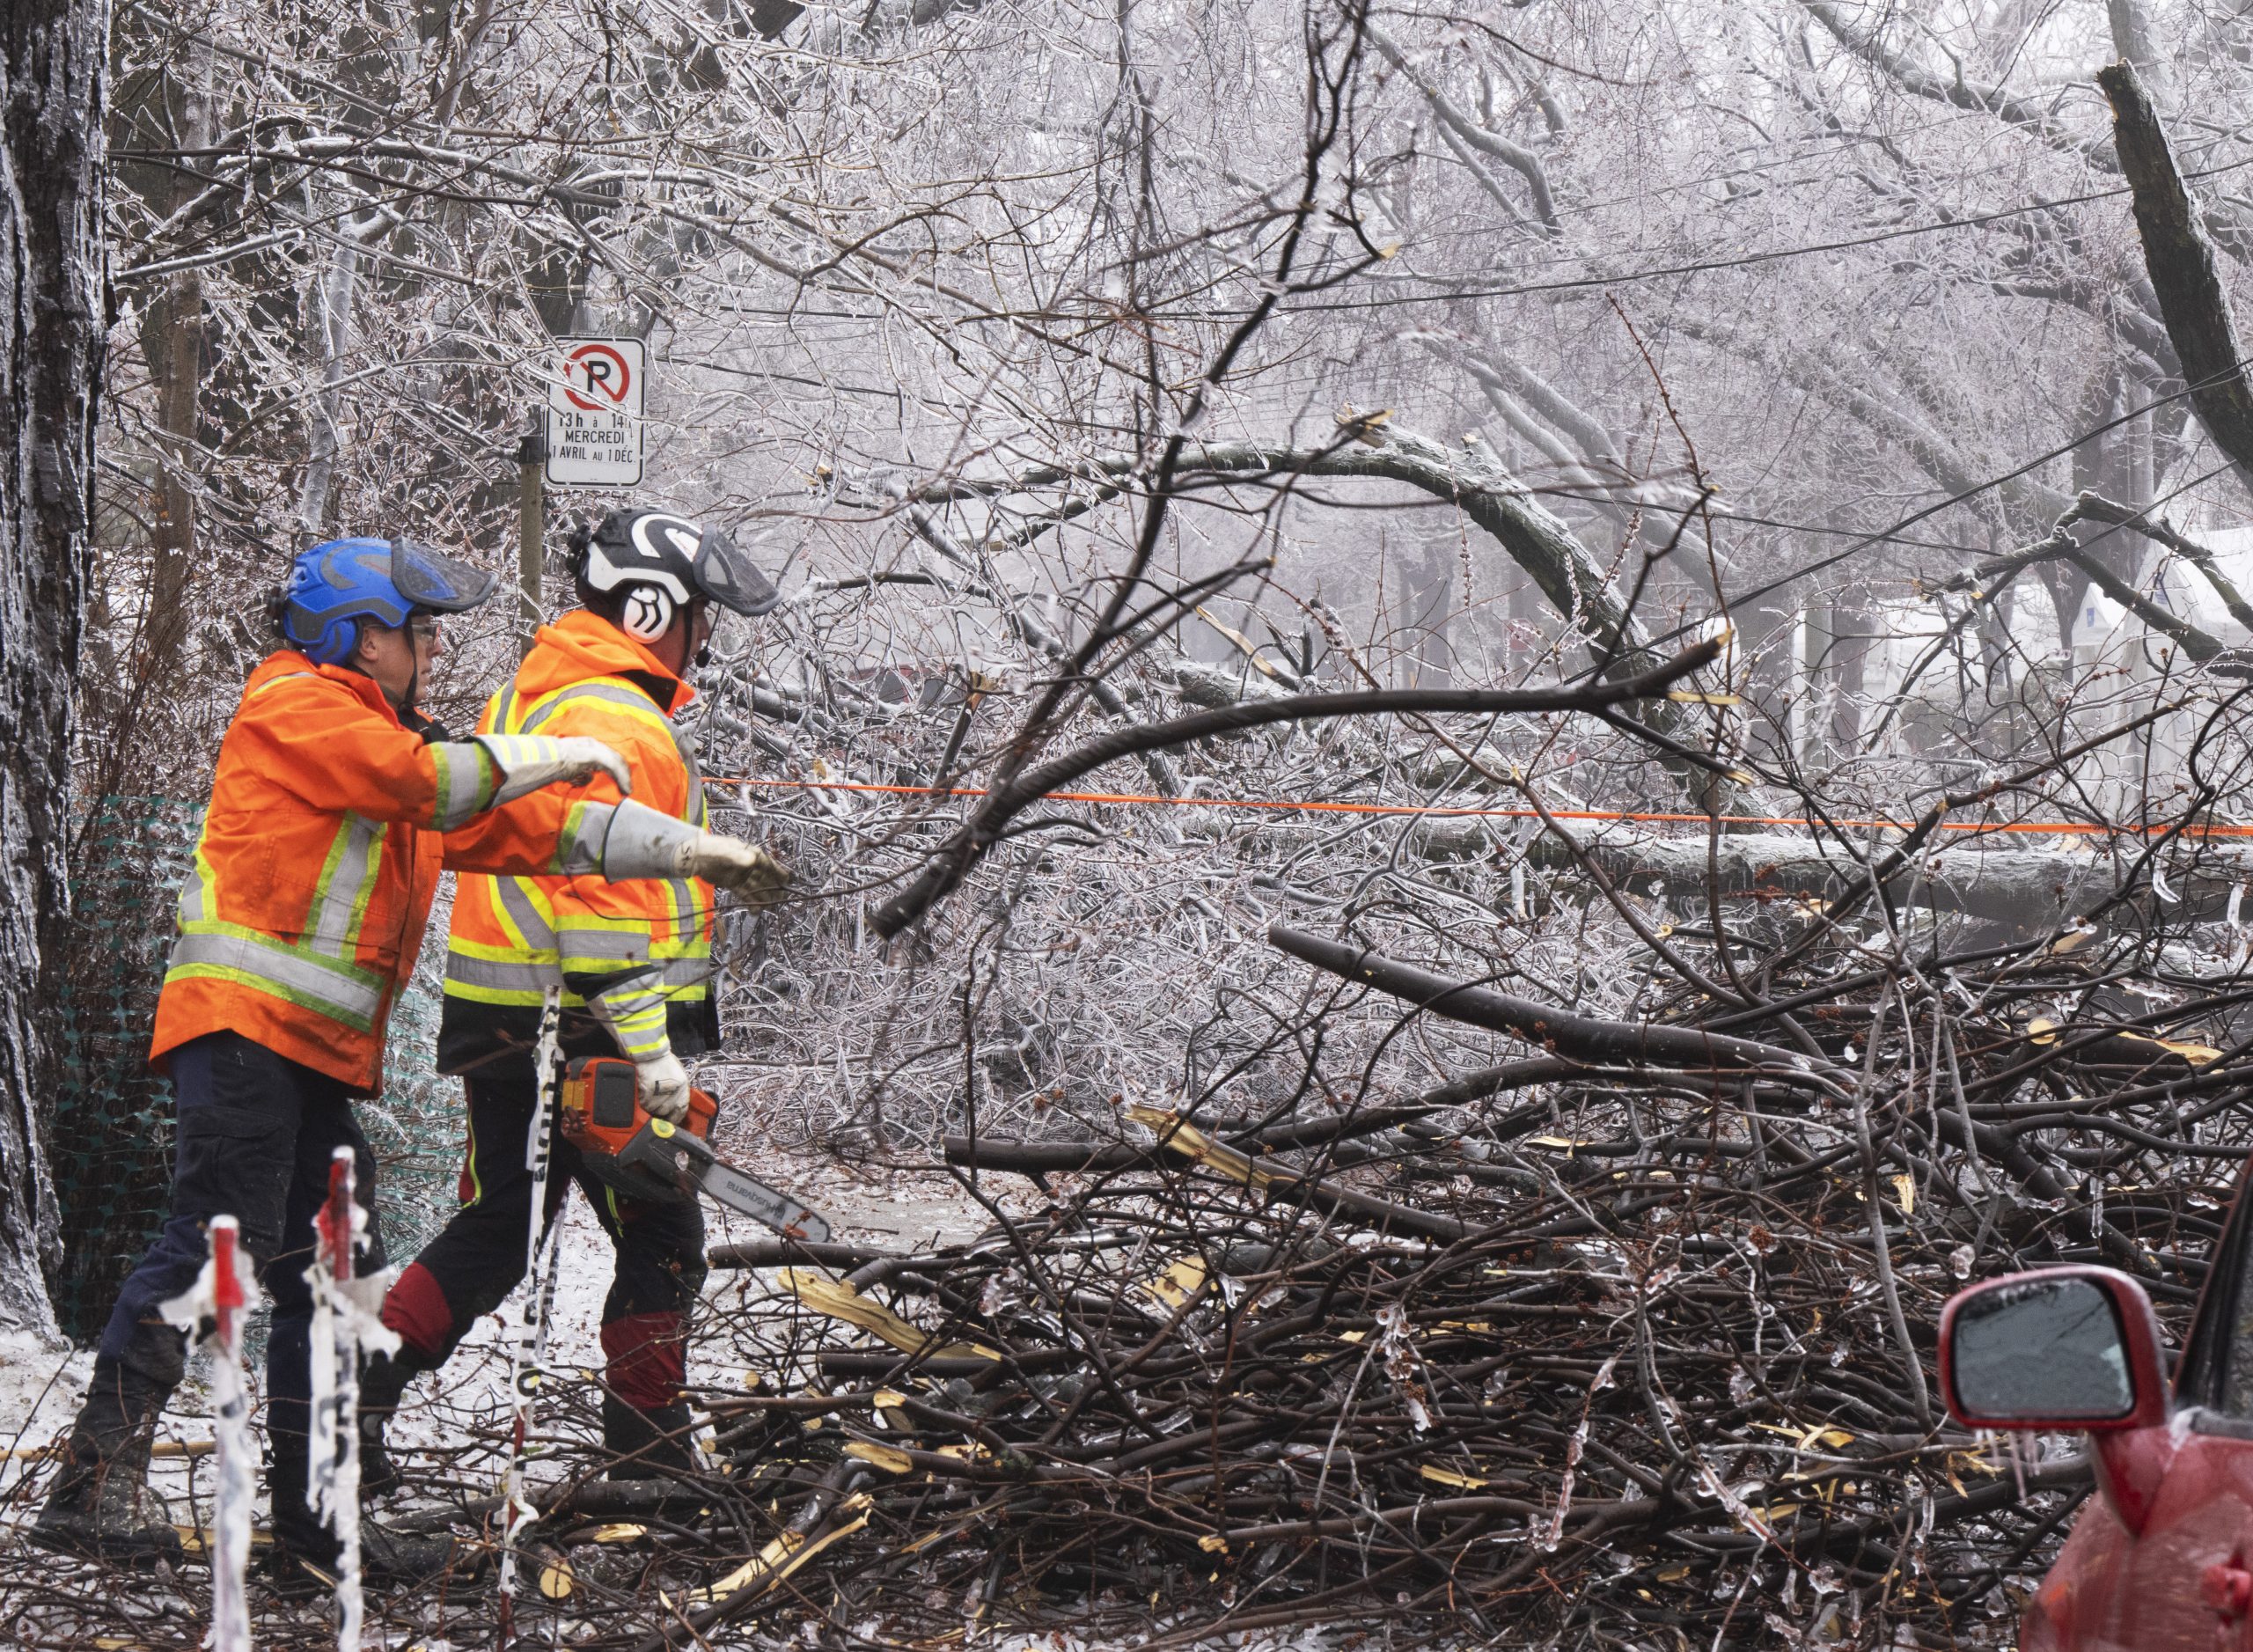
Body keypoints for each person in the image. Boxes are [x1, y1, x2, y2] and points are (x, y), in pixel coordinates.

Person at [33, 537, 787, 1584]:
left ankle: (314, 1520)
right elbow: (427, 783)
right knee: (225, 1242)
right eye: (418, 630)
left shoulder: (382, 737)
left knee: (323, 1268)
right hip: (243, 1030)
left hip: (304, 1049)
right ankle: (93, 1480)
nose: (432, 648)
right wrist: (555, 753)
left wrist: (686, 849)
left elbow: (525, 831)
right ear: (355, 633)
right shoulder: (295, 707)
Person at [360, 508, 787, 1488]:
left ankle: (355, 1395)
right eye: (696, 614)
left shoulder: (542, 693)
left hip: (509, 1013)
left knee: (502, 1222)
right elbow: (598, 902)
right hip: (585, 1017)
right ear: (651, 607)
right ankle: (648, 1450)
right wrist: (651, 1054)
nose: (704, 635)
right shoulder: (614, 715)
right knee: (665, 1231)